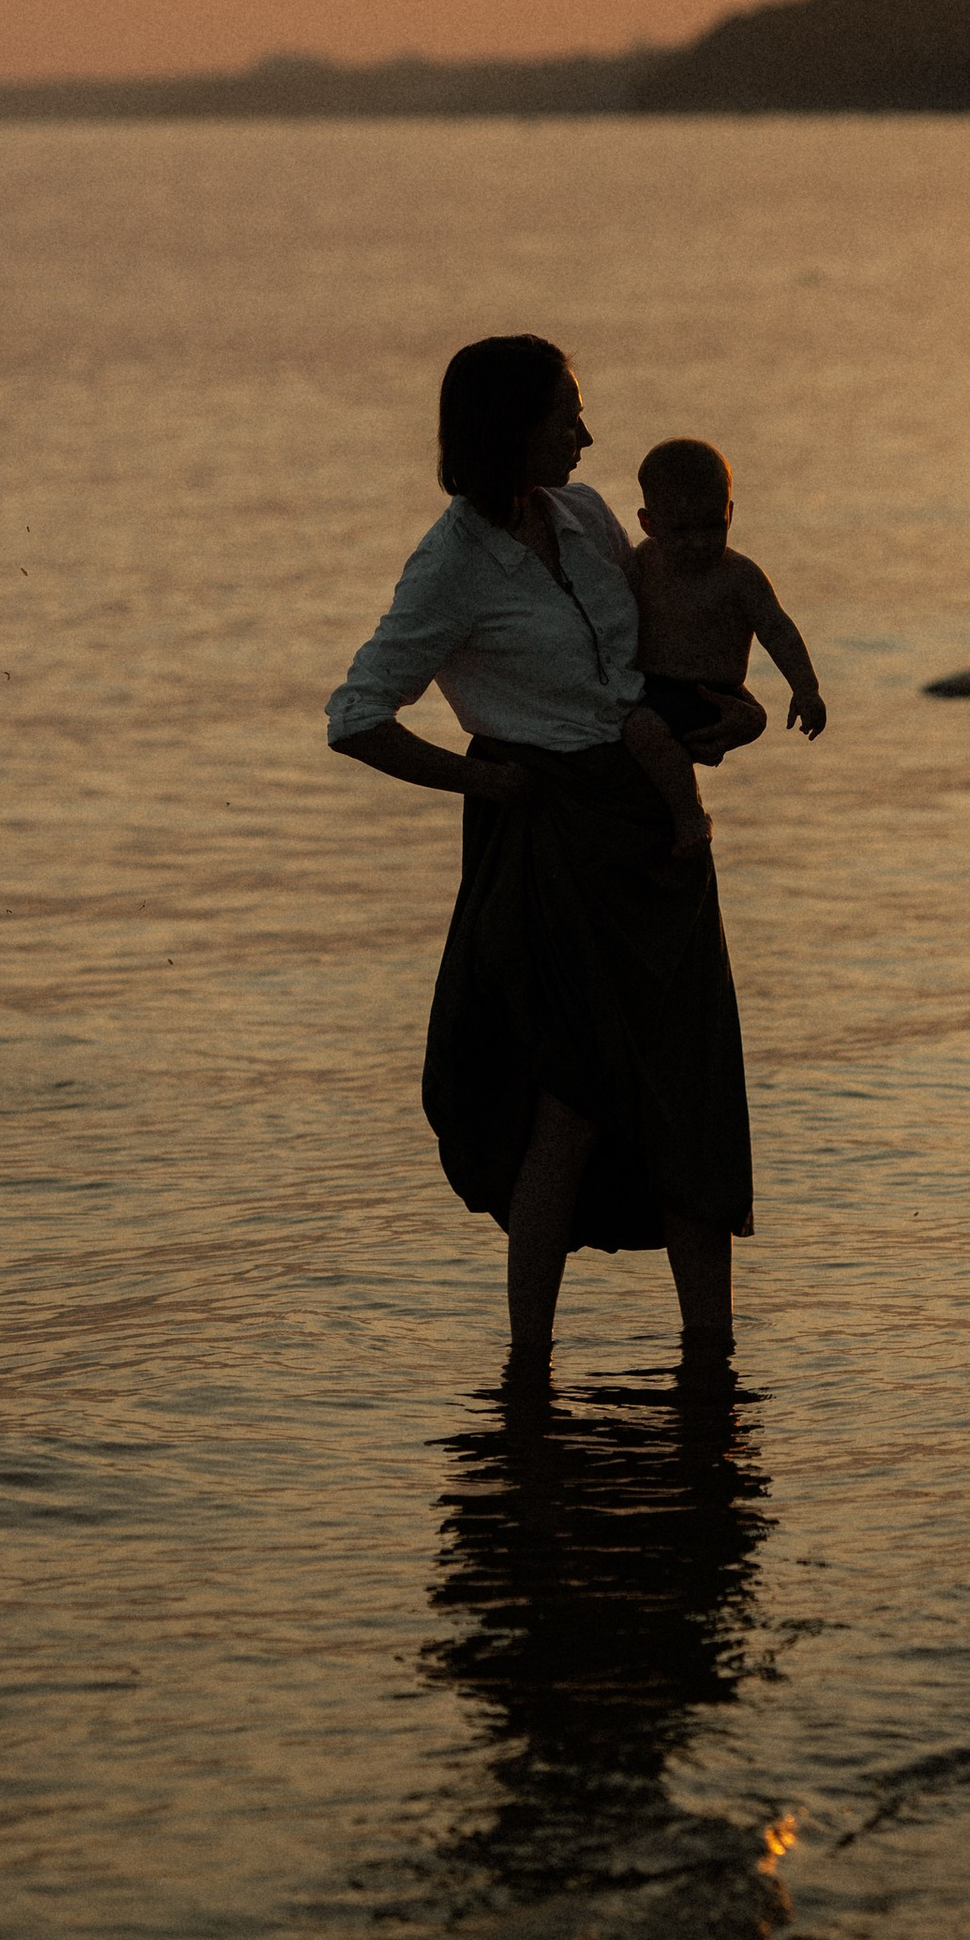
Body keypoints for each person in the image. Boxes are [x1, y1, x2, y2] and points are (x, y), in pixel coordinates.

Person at [326, 336, 753, 1376]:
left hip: (655, 830)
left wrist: (723, 709)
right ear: (511, 428)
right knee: (569, 1095)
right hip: (549, 835)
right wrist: (479, 779)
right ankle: (528, 1365)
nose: (588, 431)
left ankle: (712, 1359)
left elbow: (651, 657)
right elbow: (355, 715)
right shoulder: (450, 564)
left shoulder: (589, 514)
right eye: (568, 413)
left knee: (691, 1086)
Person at [619, 437, 826, 850]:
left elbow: (778, 630)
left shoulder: (740, 577)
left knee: (734, 720)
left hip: (716, 694)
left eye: (713, 525)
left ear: (730, 513)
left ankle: (690, 813)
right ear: (648, 523)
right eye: (680, 529)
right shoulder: (642, 563)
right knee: (641, 728)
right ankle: (689, 810)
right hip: (653, 688)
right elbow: (609, 615)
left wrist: (806, 688)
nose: (698, 541)